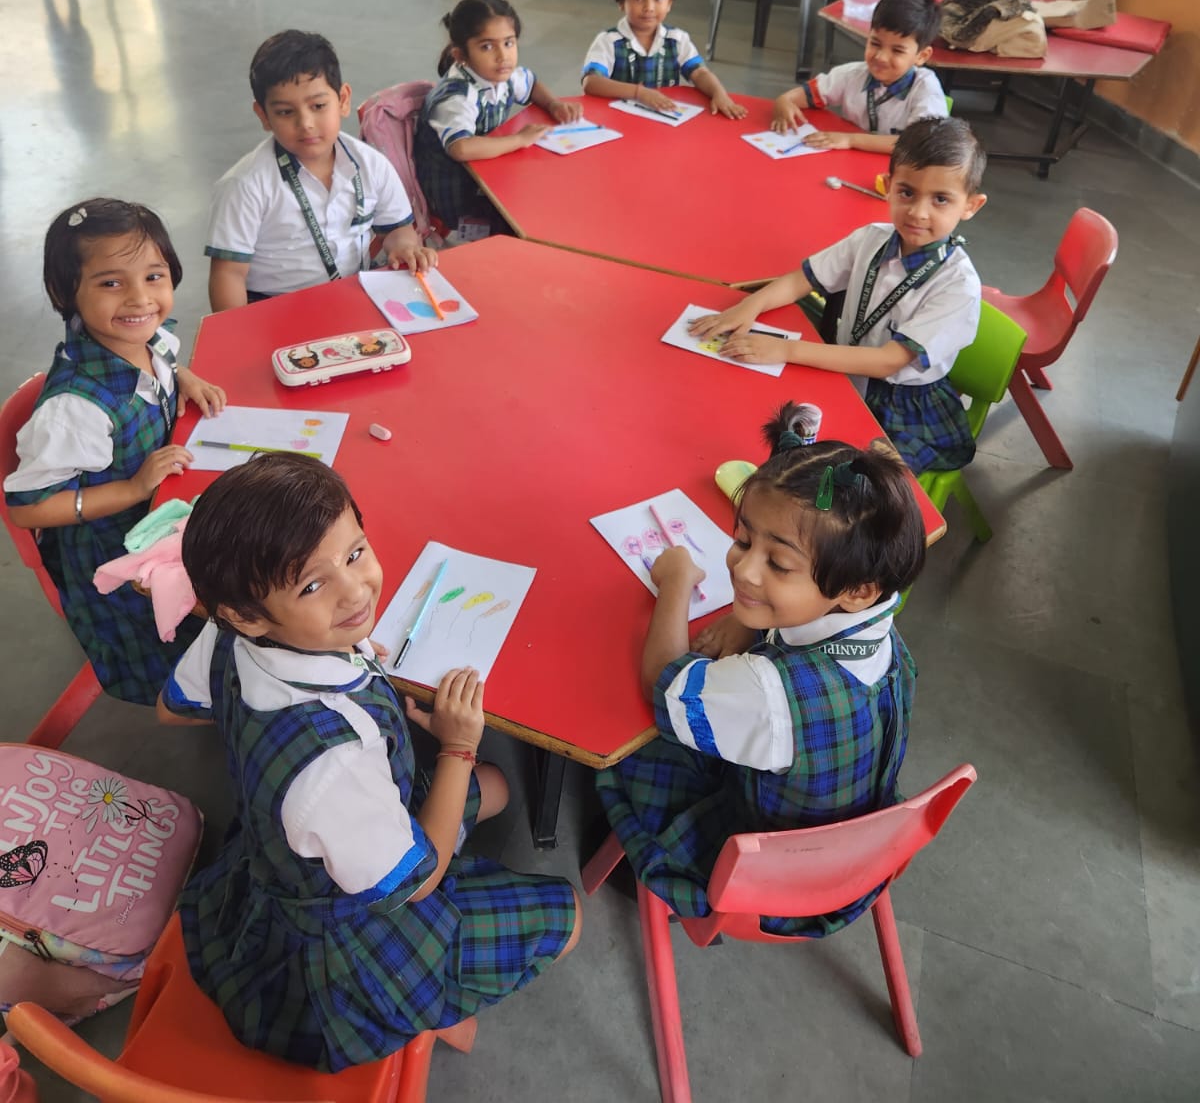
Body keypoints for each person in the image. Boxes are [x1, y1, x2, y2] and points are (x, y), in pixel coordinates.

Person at [158, 454, 580, 1072]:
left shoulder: (231, 631)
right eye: (312, 586)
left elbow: (173, 708)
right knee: (565, 917)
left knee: (494, 786)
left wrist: (336, 648)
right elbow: (420, 883)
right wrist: (458, 747)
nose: (356, 592)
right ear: (247, 614)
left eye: (355, 554)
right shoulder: (334, 765)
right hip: (344, 948)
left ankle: (433, 972)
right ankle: (431, 1010)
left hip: (299, 846)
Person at [595, 411, 925, 936]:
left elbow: (662, 683)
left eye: (779, 565)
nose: (743, 571)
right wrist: (748, 617)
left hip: (761, 882)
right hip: (856, 851)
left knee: (621, 746)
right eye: (744, 541)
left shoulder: (769, 692)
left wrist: (675, 582)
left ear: (856, 588)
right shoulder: (878, 626)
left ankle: (637, 868)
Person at [4, 200, 224, 703]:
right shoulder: (75, 409)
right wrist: (132, 487)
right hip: (118, 555)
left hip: (161, 512)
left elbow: (163, 361)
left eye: (154, 276)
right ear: (64, 292)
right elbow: (28, 509)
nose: (139, 299)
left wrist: (184, 378)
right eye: (110, 283)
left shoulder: (149, 340)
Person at [690, 117, 986, 474]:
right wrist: (749, 305)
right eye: (907, 192)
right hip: (843, 369)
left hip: (900, 407)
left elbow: (888, 361)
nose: (918, 212)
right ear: (888, 186)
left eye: (941, 199)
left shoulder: (958, 285)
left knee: (849, 478)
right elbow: (803, 279)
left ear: (970, 206)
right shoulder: (871, 238)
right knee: (767, 430)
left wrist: (786, 349)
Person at [206, 30, 438, 310]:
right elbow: (228, 275)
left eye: (318, 106)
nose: (305, 123)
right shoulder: (244, 185)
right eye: (285, 112)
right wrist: (237, 332)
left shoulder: (372, 164)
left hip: (354, 296)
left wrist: (404, 247)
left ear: (343, 100)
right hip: (275, 310)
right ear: (263, 116)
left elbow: (397, 229)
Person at [414, 0, 581, 237]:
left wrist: (553, 104)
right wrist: (519, 140)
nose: (503, 56)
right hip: (459, 199)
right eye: (487, 46)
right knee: (531, 221)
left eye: (508, 43)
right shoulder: (457, 97)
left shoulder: (501, 75)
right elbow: (461, 148)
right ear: (460, 56)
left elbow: (531, 84)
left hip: (488, 177)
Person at [772, 0, 947, 152]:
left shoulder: (926, 90)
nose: (881, 57)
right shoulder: (851, 75)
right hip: (852, 162)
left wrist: (851, 140)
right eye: (875, 43)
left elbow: (918, 145)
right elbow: (805, 95)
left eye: (897, 51)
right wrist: (784, 101)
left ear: (921, 56)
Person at [582, 0, 747, 119]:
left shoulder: (677, 39)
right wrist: (639, 93)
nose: (649, 7)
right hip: (619, 119)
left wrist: (719, 94)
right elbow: (591, 82)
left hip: (663, 119)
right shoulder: (608, 41)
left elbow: (699, 73)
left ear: (669, 3)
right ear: (621, 3)